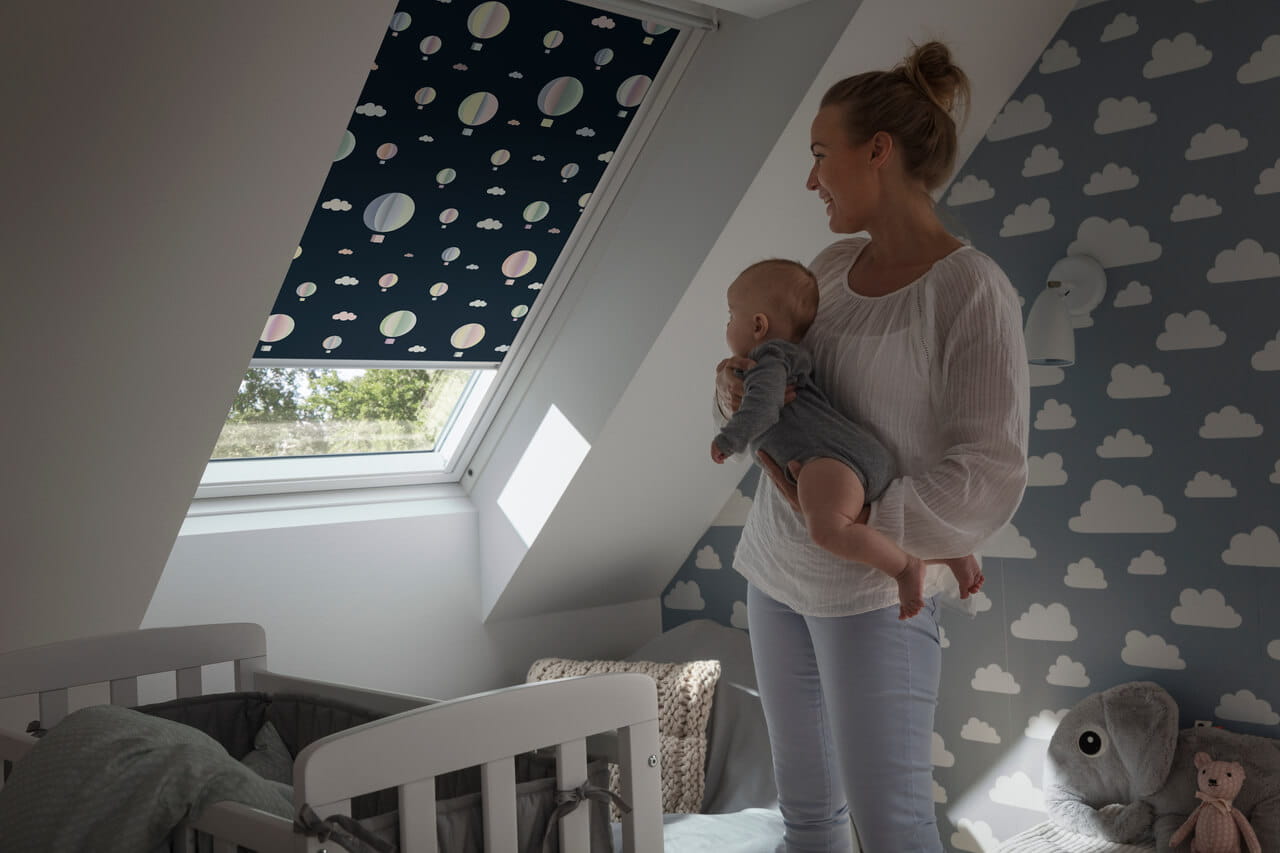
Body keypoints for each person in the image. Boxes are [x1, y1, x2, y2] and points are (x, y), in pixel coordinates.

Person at [713, 41, 1030, 852]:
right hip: (776, 571)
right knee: (808, 820)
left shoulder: (969, 289)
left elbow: (986, 472)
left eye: (822, 155)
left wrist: (858, 522)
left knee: (891, 828)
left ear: (877, 151)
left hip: (871, 594)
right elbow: (795, 391)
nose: (811, 178)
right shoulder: (829, 266)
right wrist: (739, 389)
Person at [709, 258, 984, 620]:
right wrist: (722, 379)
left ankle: (905, 569)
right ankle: (947, 552)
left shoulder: (769, 360)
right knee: (852, 528)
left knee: (828, 532)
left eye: (731, 316)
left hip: (831, 461)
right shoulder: (774, 358)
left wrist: (729, 440)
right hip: (840, 462)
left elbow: (762, 408)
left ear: (758, 324)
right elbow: (742, 399)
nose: (727, 325)